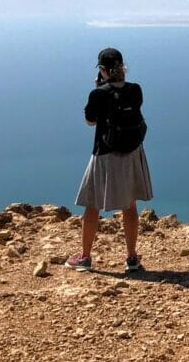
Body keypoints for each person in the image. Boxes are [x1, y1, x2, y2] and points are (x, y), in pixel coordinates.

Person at [66, 47, 153, 273]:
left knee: (92, 205)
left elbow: (90, 121)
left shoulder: (99, 94)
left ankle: (85, 258)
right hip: (133, 153)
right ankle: (132, 258)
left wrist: (99, 90)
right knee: (130, 205)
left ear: (102, 70)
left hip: (105, 154)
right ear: (123, 68)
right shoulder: (135, 90)